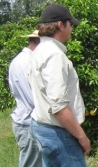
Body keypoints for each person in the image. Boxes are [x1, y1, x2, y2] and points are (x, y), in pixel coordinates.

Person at [29, 4, 90, 166]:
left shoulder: (39, 50)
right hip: (59, 133)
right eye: (70, 24)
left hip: (44, 128)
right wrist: (81, 136)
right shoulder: (54, 55)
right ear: (60, 25)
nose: (72, 29)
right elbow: (59, 105)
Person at [8, 30, 43, 167]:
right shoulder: (27, 63)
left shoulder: (19, 60)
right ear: (38, 43)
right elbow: (33, 99)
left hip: (25, 120)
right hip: (29, 123)